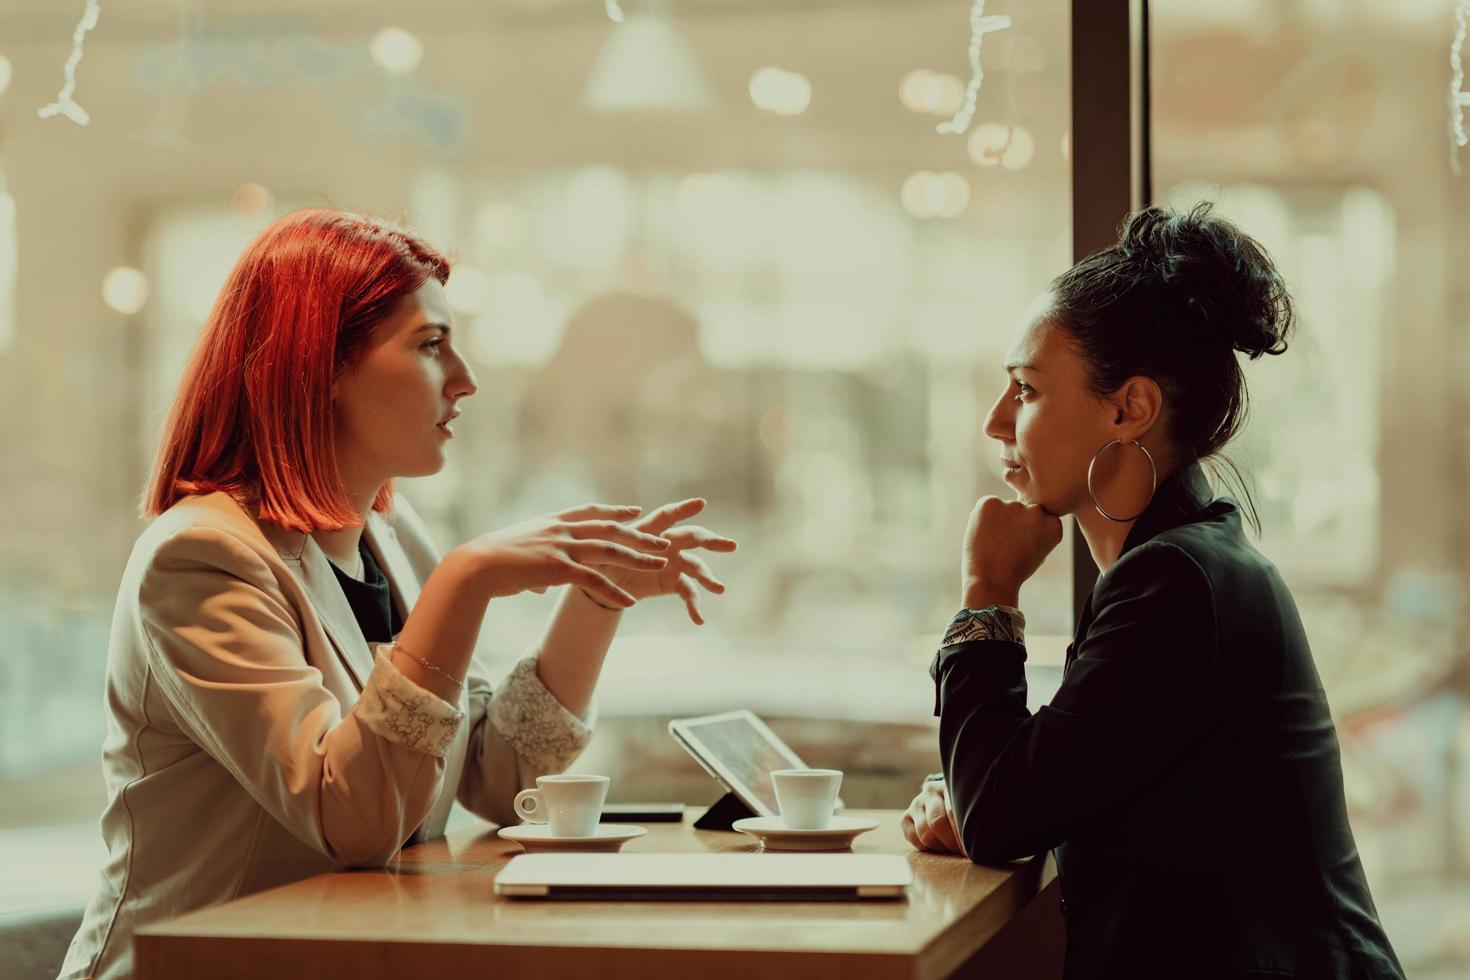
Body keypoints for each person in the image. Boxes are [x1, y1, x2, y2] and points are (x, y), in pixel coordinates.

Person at [60, 208, 736, 980]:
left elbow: (498, 775)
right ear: (319, 369)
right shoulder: (201, 559)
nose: (466, 379)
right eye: (430, 345)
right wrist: (466, 580)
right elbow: (351, 819)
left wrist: (598, 593)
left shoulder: (391, 532)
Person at [901, 204, 1404, 979]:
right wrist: (984, 800)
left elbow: (1000, 817)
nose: (995, 421)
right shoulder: (1183, 564)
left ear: (1130, 407)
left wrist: (988, 595)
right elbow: (1036, 794)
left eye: (1026, 390)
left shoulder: (1177, 584)